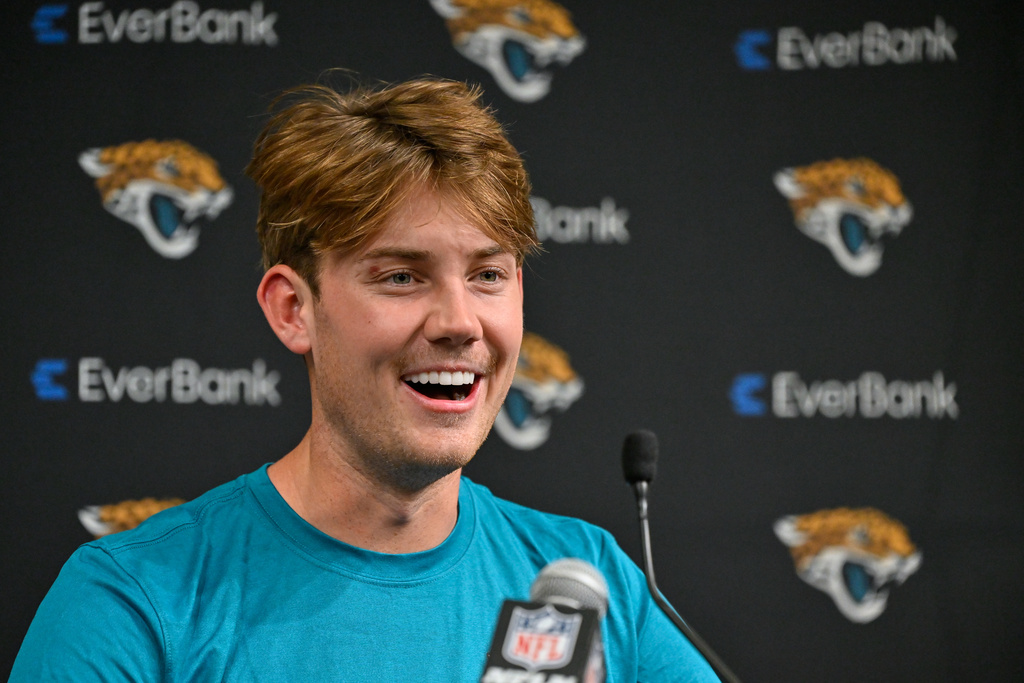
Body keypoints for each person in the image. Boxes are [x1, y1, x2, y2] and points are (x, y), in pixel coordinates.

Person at [11, 77, 718, 682]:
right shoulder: (134, 600)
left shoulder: (589, 582)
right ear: (294, 310)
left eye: (488, 275)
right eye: (402, 276)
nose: (461, 322)